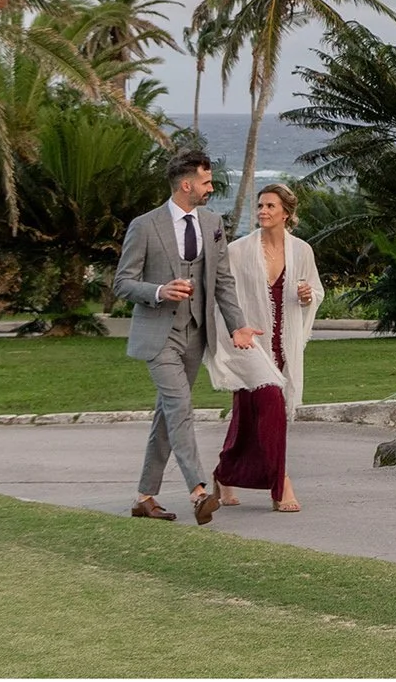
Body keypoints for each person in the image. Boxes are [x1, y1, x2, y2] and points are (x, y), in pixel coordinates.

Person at [113, 149, 262, 523]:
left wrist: (237, 324)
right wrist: (160, 291)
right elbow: (123, 283)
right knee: (180, 407)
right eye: (206, 182)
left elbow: (223, 281)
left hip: (196, 333)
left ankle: (144, 497)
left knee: (167, 415)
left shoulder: (212, 222)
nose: (211, 188)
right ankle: (198, 491)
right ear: (186, 184)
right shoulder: (145, 226)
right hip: (158, 333)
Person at [207, 184, 321, 512]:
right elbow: (222, 293)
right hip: (247, 342)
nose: (263, 211)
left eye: (271, 206)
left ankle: (224, 475)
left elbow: (316, 290)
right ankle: (281, 480)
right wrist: (232, 333)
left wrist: (306, 296)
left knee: (246, 411)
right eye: (260, 205)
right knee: (271, 399)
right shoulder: (239, 250)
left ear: (286, 213)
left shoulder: (302, 251)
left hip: (283, 343)